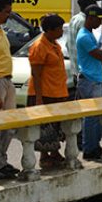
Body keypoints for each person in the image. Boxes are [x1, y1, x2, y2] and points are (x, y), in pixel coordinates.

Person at [28, 14, 68, 169]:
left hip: (57, 91)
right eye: (59, 29)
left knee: (56, 127)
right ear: (50, 30)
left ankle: (55, 153)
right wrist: (38, 98)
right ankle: (45, 157)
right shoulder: (39, 46)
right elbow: (36, 74)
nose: (61, 32)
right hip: (45, 93)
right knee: (45, 128)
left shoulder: (54, 44)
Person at [77, 4, 102, 160]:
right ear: (90, 18)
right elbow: (101, 55)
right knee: (91, 118)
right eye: (98, 20)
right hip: (90, 80)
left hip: (95, 78)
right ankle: (89, 149)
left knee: (97, 118)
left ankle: (94, 146)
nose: (100, 24)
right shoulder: (84, 36)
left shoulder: (89, 34)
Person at [0, 0, 18, 179]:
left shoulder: (0, 30)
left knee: (9, 127)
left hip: (7, 81)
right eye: (6, 12)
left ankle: (1, 161)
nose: (8, 16)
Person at [68, 0, 96, 79]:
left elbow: (68, 43)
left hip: (75, 69)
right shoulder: (84, 22)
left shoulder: (74, 19)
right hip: (85, 71)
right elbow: (89, 47)